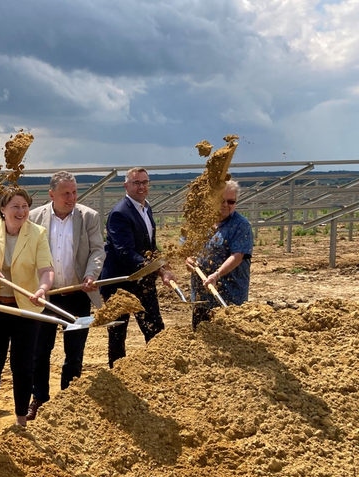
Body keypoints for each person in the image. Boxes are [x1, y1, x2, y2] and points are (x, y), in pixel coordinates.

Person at [28, 171, 105, 420]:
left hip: (77, 295)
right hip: (45, 296)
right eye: (66, 193)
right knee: (40, 351)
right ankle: (38, 397)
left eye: (74, 192)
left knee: (74, 351)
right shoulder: (34, 218)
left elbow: (97, 250)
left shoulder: (88, 217)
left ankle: (69, 399)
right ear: (52, 194)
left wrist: (91, 275)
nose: (72, 198)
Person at [0, 188, 54, 434]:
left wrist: (43, 289)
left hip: (25, 308)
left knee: (23, 366)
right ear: (2, 208)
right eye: (15, 206)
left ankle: (20, 420)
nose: (21, 211)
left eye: (25, 206)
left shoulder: (37, 233)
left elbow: (46, 270)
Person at [100, 168, 176, 368]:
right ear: (126, 186)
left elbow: (149, 247)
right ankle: (117, 376)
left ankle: (159, 371)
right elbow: (126, 253)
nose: (141, 187)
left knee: (155, 329)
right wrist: (159, 269)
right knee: (118, 333)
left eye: (145, 182)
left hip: (143, 280)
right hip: (120, 283)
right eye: (136, 183)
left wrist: (163, 266)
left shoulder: (146, 208)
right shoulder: (119, 213)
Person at [185, 180, 253, 329]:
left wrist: (217, 275)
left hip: (230, 296)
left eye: (231, 201)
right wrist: (188, 259)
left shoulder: (241, 225)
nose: (225, 205)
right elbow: (186, 248)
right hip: (201, 296)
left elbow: (237, 256)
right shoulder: (199, 222)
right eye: (221, 200)